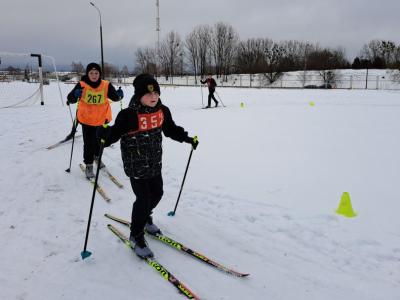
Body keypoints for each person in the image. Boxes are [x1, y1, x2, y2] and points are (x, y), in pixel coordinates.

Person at [97, 74, 199, 258]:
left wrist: (187, 138)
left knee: (158, 193)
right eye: (148, 94)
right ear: (138, 95)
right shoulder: (129, 115)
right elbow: (114, 134)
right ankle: (136, 235)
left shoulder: (162, 111)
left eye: (156, 94)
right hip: (135, 165)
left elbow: (170, 130)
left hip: (154, 162)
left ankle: (145, 218)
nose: (153, 97)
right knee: (143, 199)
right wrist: (103, 136)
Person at [67, 62, 124, 179]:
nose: (94, 75)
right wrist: (75, 95)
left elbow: (114, 97)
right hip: (87, 120)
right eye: (91, 73)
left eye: (96, 73)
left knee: (100, 142)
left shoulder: (106, 85)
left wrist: (119, 95)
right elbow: (70, 98)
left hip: (102, 120)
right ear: (87, 74)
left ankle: (97, 157)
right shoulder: (82, 84)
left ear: (99, 74)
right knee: (88, 144)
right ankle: (88, 164)